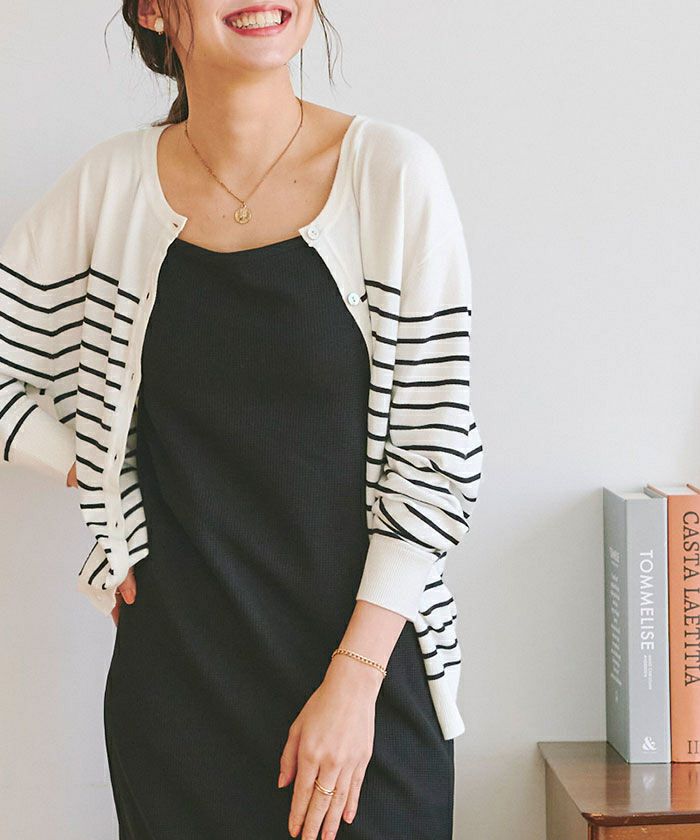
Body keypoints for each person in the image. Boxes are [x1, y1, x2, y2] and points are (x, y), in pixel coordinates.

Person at [0, 1, 484, 837]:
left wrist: (354, 682)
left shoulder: (389, 174)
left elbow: (436, 454)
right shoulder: (113, 188)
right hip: (178, 699)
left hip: (368, 693)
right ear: (155, 9)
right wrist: (94, 470)